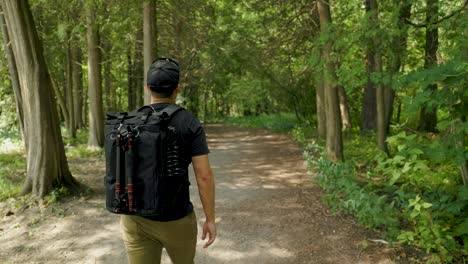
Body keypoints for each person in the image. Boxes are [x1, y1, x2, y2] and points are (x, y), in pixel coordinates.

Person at [120, 57, 216, 264]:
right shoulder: (189, 122)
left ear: (148, 87)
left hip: (136, 218)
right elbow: (204, 176)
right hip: (176, 219)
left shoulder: (131, 120)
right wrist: (210, 219)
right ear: (177, 89)